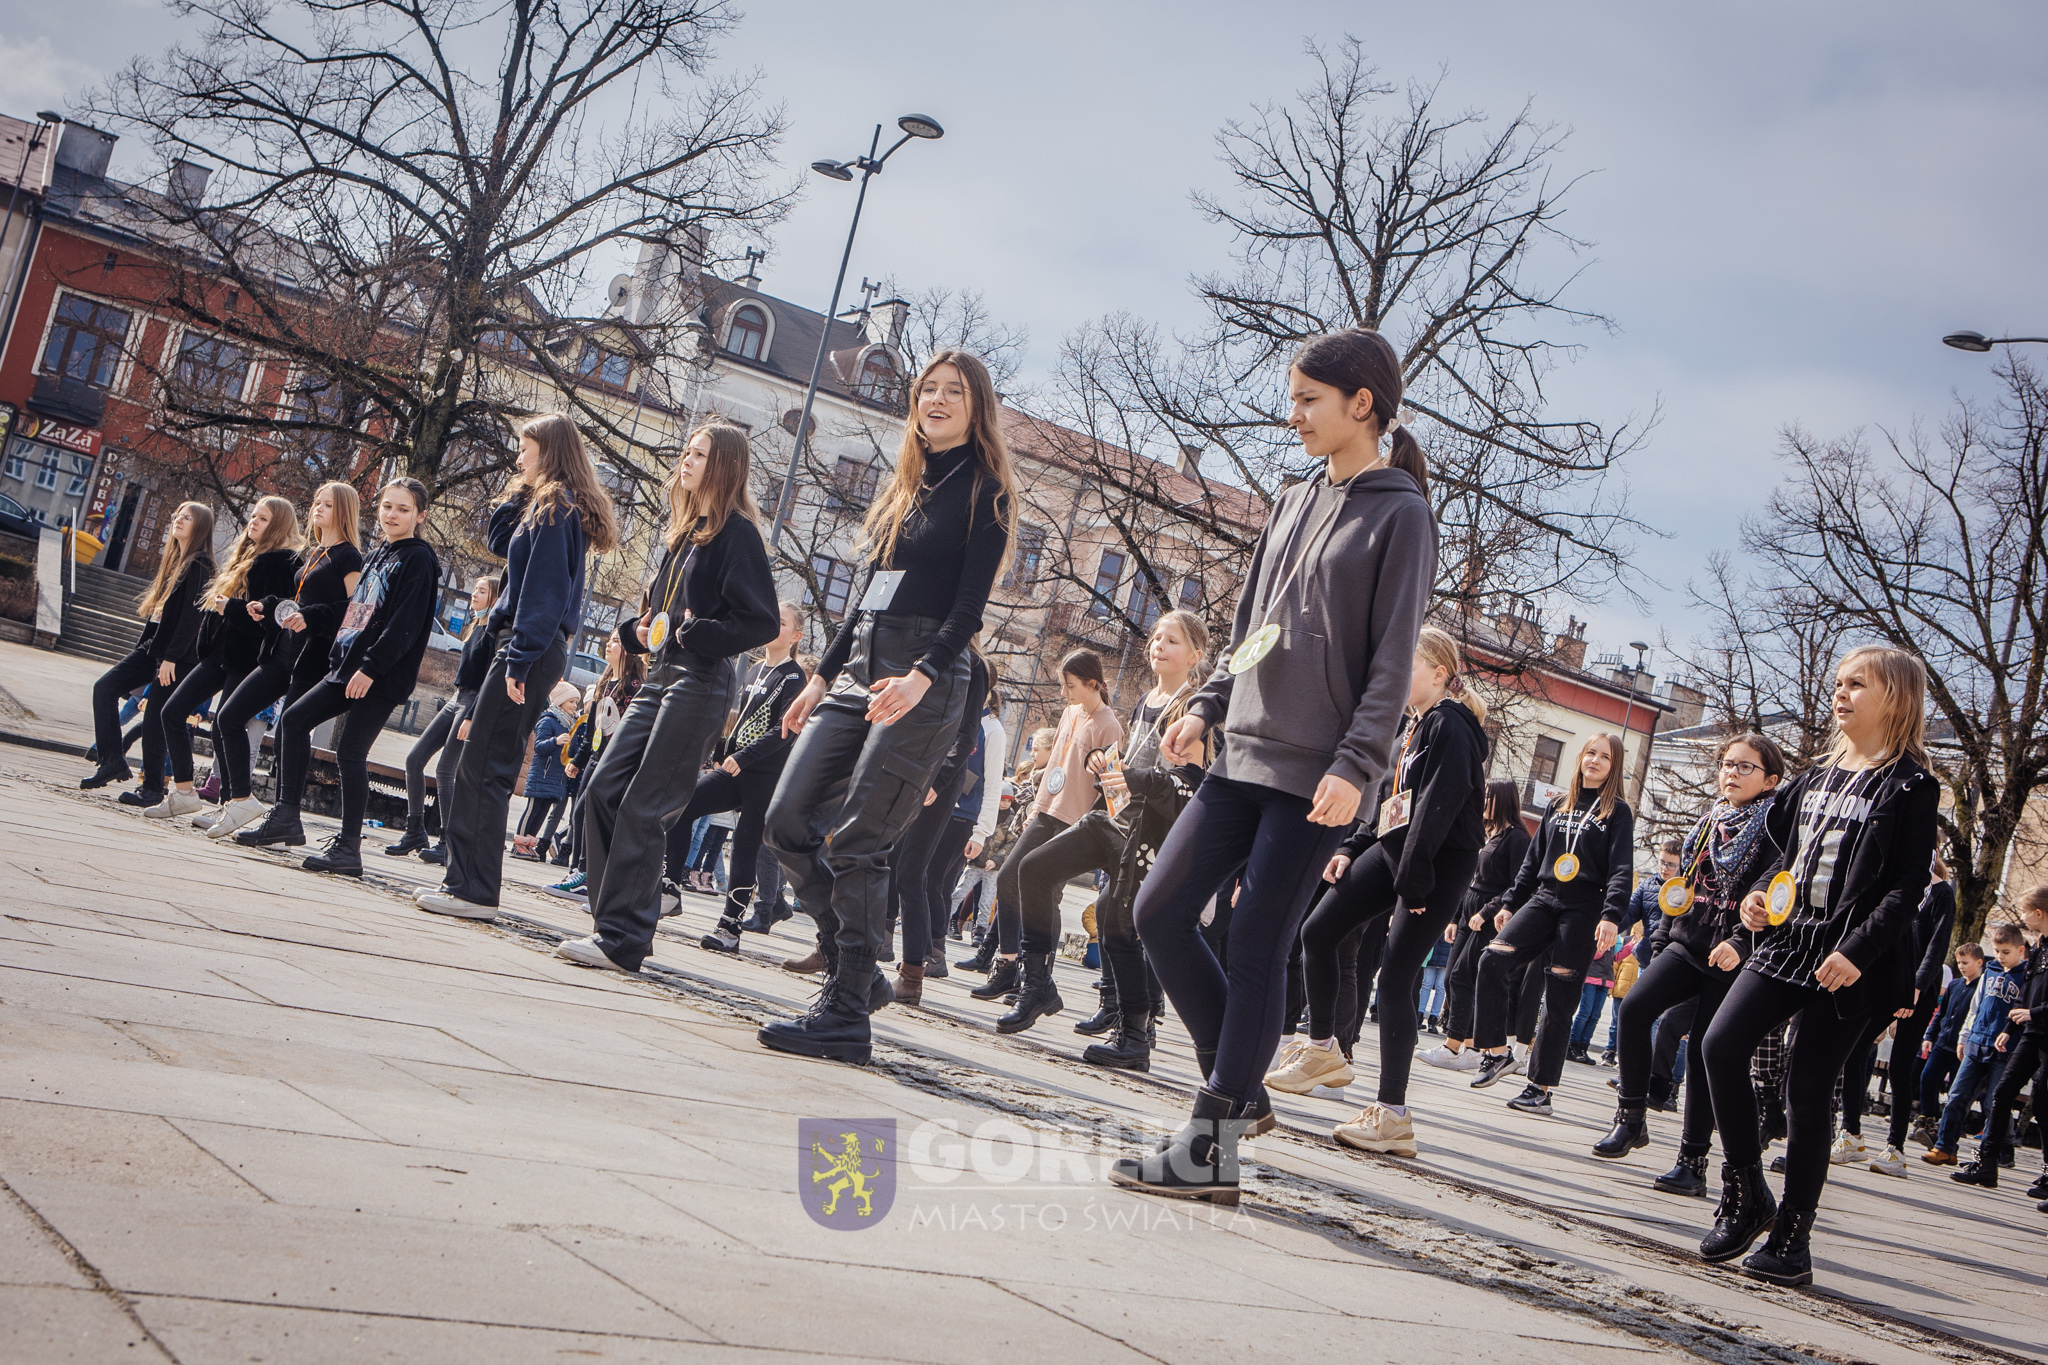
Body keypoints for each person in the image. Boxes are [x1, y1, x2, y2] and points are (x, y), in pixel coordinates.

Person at [1107, 327, 1436, 1205]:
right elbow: (1255, 625)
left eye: (1307, 401)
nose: (1292, 416)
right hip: (1241, 752)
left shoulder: (1401, 513)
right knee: (1161, 908)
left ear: (1361, 403)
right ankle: (1243, 1088)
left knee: (1257, 943)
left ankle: (1213, 1140)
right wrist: (1209, 702)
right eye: (1292, 399)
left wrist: (1358, 762)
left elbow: (1390, 660)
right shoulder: (1292, 501)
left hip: (1319, 774)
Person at [757, 351, 1016, 1065]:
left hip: (925, 672)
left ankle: (845, 1013)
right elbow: (866, 595)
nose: (936, 399)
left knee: (860, 839)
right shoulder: (903, 486)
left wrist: (925, 675)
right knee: (787, 820)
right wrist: (820, 676)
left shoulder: (985, 493)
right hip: (861, 666)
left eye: (952, 392)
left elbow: (968, 610)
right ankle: (859, 966)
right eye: (927, 389)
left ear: (976, 406)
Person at [1696, 644, 1940, 1288]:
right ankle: (1746, 1190)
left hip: (1849, 960)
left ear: (1896, 698)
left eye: (1858, 684)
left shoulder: (1913, 784)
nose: (1842, 693)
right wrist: (1759, 896)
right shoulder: (1811, 777)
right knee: (1720, 1045)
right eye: (1839, 682)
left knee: (1807, 1091)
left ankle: (1792, 1237)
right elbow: (1784, 857)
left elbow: (1907, 885)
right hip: (1788, 942)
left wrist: (1857, 950)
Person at [552, 422, 778, 970]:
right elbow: (661, 613)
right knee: (604, 789)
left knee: (645, 804)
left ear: (723, 466)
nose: (686, 460)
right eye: (686, 451)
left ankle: (625, 938)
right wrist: (636, 630)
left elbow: (762, 621)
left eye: (698, 454)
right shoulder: (685, 532)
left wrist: (698, 632)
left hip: (701, 682)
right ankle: (623, 915)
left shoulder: (737, 535)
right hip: (662, 676)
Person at [1270, 626, 1486, 1160]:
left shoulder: (1450, 723)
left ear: (1439, 673)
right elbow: (1393, 800)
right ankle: (1323, 1047)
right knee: (1317, 932)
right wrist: (1353, 846)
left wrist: (1413, 880)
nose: (1392, 676)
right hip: (1395, 849)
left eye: (1406, 665)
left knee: (1394, 978)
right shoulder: (1410, 728)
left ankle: (1392, 1114)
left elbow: (1440, 803)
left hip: (1434, 864)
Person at [422, 413, 618, 918]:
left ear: (548, 452)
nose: (518, 458)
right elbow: (499, 542)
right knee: (484, 763)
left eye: (525, 449)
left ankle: (473, 888)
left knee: (483, 766)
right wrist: (518, 490)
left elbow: (544, 593)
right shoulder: (546, 504)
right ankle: (470, 884)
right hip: (527, 646)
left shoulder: (555, 508)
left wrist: (520, 659)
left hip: (527, 647)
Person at [1591, 734, 1787, 1198]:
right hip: (1688, 939)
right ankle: (1632, 1118)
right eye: (1727, 764)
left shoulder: (1776, 829)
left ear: (1770, 780)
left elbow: (1770, 891)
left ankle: (1692, 1162)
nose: (1731, 773)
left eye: (1745, 767)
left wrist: (1741, 940)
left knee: (1703, 1050)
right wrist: (1660, 939)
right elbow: (1680, 889)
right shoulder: (1710, 821)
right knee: (1636, 1007)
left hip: (1734, 954)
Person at [236, 479, 442, 874]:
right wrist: (332, 645)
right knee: (293, 721)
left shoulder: (417, 558)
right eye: (386, 507)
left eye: (402, 509)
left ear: (420, 516)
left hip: (378, 674)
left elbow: (406, 623)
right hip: (347, 666)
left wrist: (371, 667)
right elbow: (357, 612)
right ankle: (286, 816)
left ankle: (348, 849)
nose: (392, 515)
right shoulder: (382, 552)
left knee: (350, 753)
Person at [1469, 733, 1635, 1115]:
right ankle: (1496, 1053)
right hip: (1544, 898)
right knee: (1492, 959)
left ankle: (1540, 1089)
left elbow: (1621, 868)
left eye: (1604, 757)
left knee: (1559, 998)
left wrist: (1611, 916)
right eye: (1590, 753)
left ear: (1614, 766)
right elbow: (1533, 861)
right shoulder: (1559, 803)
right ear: (1580, 757)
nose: (1594, 761)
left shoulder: (1618, 812)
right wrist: (1511, 902)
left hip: (1584, 907)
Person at [1079, 611, 1212, 1069]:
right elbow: (1131, 756)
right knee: (1111, 910)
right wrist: (1107, 768)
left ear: (1194, 656)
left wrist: (1135, 780)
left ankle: (1141, 1020)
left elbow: (1185, 778)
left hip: (1160, 826)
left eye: (1171, 641)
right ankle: (1116, 1005)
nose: (1158, 645)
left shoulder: (1192, 705)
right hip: (1125, 816)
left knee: (1136, 918)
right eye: (1156, 637)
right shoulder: (1145, 700)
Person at [206, 484, 364, 842]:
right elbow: (299, 598)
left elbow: (355, 612)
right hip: (281, 652)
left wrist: (313, 616)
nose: (318, 510)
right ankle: (242, 799)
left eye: (328, 505)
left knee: (288, 734)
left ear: (344, 512)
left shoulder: (348, 557)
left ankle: (286, 817)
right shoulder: (313, 552)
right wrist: (270, 604)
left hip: (312, 659)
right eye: (317, 503)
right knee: (228, 718)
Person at [973, 649, 1123, 1021]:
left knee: (1047, 894)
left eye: (1070, 686)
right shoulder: (1071, 713)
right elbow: (1055, 764)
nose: (1064, 693)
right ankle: (1008, 965)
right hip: (1046, 810)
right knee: (1009, 878)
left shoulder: (1110, 726)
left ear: (1093, 683)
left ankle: (1037, 979)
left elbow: (1112, 787)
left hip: (1075, 819)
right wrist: (1036, 808)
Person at [666, 600, 807, 952]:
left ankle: (730, 928)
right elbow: (738, 720)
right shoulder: (753, 671)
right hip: (734, 769)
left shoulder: (795, 677)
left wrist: (744, 757)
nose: (773, 624)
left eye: (783, 622)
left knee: (744, 850)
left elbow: (783, 730)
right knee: (680, 807)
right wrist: (722, 752)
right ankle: (670, 889)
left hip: (765, 775)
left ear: (796, 636)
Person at [147, 497, 300, 821]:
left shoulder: (278, 564)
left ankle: (233, 804)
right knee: (173, 711)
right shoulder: (245, 556)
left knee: (223, 726)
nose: (253, 523)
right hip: (219, 653)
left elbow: (268, 621)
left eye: (262, 519)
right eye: (253, 517)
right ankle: (185, 792)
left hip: (247, 657)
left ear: (278, 525)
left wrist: (227, 608)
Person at [83, 502, 216, 802]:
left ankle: (153, 788)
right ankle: (111, 760)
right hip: (154, 647)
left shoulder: (200, 564)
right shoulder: (177, 560)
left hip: (177, 654)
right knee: (105, 688)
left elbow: (192, 617)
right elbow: (160, 617)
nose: (178, 520)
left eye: (187, 517)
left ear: (201, 527)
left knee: (156, 717)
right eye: (177, 515)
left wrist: (170, 658)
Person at [889, 650, 994, 1003]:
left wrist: (938, 781)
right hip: (907, 770)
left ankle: (919, 965)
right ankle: (860, 943)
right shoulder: (924, 656)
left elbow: (970, 745)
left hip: (946, 794)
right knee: (889, 862)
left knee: (919, 874)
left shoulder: (974, 671)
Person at [1843, 854, 1957, 1175]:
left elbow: (1937, 945)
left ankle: (1895, 1149)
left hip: (1916, 991)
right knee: (1854, 1050)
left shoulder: (1941, 893)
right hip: (1887, 984)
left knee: (1899, 1067)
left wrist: (1916, 988)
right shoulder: (1898, 886)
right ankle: (1851, 1134)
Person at [1421, 781, 1531, 1072]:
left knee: (1461, 977)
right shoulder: (1491, 833)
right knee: (1451, 979)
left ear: (1501, 800)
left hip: (1488, 915)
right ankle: (1466, 1044)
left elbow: (1518, 884)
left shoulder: (1517, 838)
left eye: (1488, 797)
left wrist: (1488, 910)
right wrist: (1455, 918)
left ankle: (1456, 1045)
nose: (1482, 801)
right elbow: (1471, 878)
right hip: (1469, 911)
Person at [391, 576, 499, 857]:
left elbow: (490, 682)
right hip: (455, 698)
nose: (474, 594)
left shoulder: (494, 635)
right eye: (475, 589)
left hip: (472, 702)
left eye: (482, 591)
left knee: (445, 770)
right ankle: (415, 831)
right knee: (414, 759)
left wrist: (472, 716)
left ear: (495, 598)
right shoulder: (475, 628)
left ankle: (447, 843)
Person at [547, 626, 647, 898]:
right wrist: (579, 758)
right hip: (594, 756)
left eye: (615, 641)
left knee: (587, 813)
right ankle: (579, 871)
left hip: (614, 760)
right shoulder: (606, 681)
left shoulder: (634, 686)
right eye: (610, 640)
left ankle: (586, 873)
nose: (609, 644)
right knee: (579, 813)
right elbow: (593, 725)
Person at [1922, 923, 2028, 1168]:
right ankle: (1945, 1147)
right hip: (1976, 1042)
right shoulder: (1990, 970)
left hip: (2004, 1049)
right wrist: (1964, 1037)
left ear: (2020, 950)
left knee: (1994, 1103)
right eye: (1997, 951)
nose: (2000, 956)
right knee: (1957, 1095)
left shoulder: (2026, 976)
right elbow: (1976, 1007)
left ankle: (1991, 1152)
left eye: (2006, 952)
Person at [1964, 886, 2048, 1192]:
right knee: (2001, 1094)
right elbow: (2024, 993)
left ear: (2038, 913)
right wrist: (2009, 1028)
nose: (2022, 917)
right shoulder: (2038, 945)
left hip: (2045, 1031)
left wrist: (2034, 1013)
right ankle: (1986, 1164)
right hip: (2031, 1033)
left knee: (2042, 1103)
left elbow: (2034, 1005)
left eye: (2025, 911)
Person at [1912, 943, 1983, 1148]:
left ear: (1979, 963)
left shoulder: (1981, 987)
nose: (1961, 966)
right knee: (1928, 1077)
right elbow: (1941, 1013)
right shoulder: (1954, 985)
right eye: (1959, 962)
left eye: (1966, 963)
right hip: (1943, 1041)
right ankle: (1927, 1116)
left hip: (1962, 1046)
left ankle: (1949, 1126)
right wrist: (1930, 1036)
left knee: (1955, 1089)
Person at [513, 682, 581, 857]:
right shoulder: (548, 720)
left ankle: (529, 843)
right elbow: (539, 746)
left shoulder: (570, 724)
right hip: (542, 774)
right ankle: (519, 843)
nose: (575, 706)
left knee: (542, 812)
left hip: (556, 776)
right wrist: (555, 741)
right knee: (533, 809)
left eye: (576, 702)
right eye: (571, 702)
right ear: (560, 702)